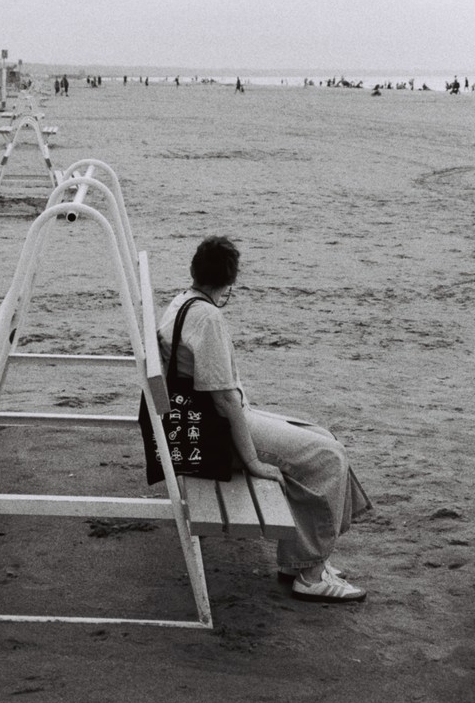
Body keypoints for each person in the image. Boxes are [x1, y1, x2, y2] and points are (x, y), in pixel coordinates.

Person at [158, 236, 371, 603]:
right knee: (327, 458)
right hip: (216, 435)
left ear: (195, 270)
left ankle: (303, 559)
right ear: (229, 281)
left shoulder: (181, 302)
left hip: (201, 424)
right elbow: (225, 400)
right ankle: (310, 573)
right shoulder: (207, 317)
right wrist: (254, 462)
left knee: (321, 435)